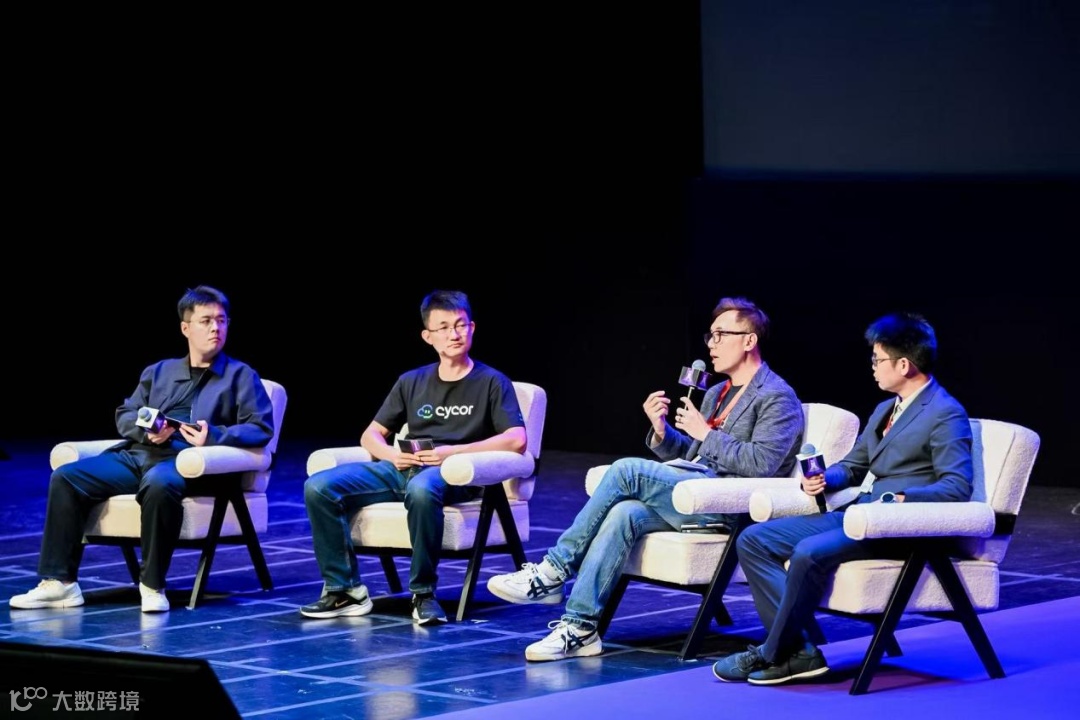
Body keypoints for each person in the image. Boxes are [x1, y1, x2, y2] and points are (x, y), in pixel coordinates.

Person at [487, 296, 805, 661]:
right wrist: (663, 432)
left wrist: (705, 433)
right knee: (624, 513)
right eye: (710, 335)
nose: (711, 344)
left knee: (626, 470)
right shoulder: (717, 392)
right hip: (693, 493)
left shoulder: (777, 397)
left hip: (728, 507)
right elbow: (694, 457)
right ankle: (580, 628)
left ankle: (553, 571)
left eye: (721, 335)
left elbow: (762, 465)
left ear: (749, 340)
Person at [712, 311, 974, 686]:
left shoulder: (945, 413)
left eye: (877, 360)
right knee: (754, 539)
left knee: (808, 551)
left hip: (894, 526)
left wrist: (902, 498)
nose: (872, 367)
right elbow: (853, 466)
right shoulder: (886, 409)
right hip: (857, 515)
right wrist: (823, 478)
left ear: (904, 364)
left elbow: (957, 486)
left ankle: (771, 652)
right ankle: (800, 653)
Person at [9, 285, 275, 614]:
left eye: (221, 321)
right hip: (142, 454)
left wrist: (213, 436)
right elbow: (126, 413)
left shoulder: (241, 376)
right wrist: (147, 433)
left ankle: (152, 585)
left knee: (160, 483)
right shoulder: (159, 371)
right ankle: (60, 583)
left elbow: (260, 428)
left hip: (189, 463)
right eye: (206, 321)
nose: (215, 328)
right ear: (186, 328)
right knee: (67, 477)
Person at [301, 289, 527, 625]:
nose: (454, 334)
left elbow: (517, 439)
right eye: (444, 327)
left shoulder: (492, 381)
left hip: (454, 473)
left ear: (472, 328)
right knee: (319, 487)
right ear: (427, 336)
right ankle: (344, 590)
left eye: (460, 325)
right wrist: (392, 455)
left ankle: (423, 593)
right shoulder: (412, 381)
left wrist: (452, 453)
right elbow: (370, 435)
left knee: (422, 489)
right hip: (404, 467)